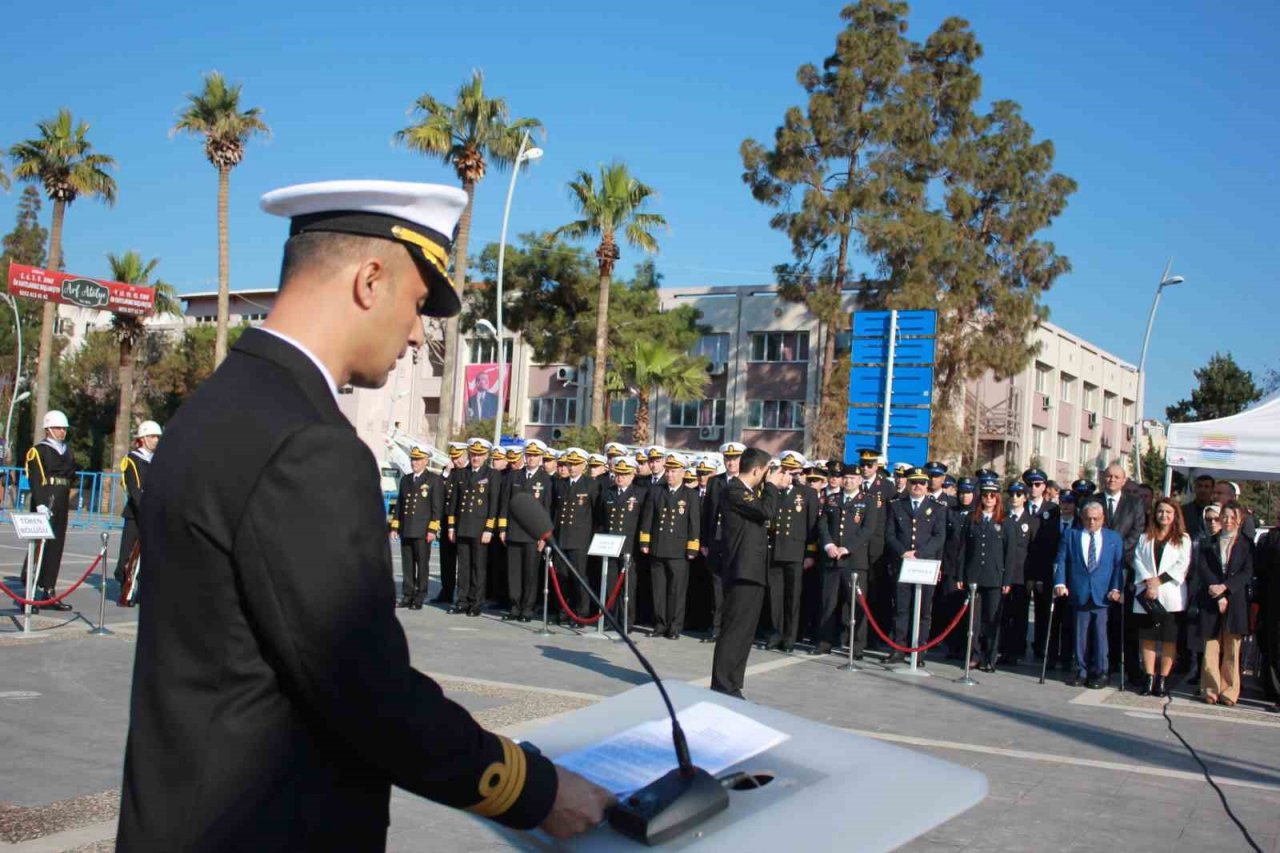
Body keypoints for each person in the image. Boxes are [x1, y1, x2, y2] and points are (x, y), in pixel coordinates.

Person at [116, 181, 611, 849]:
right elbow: (365, 689)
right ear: (370, 279)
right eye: (416, 305)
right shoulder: (307, 443)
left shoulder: (213, 409)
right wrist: (535, 789)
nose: (415, 335)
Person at [711, 448, 784, 698]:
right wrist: (773, 486)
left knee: (744, 633)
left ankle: (732, 684)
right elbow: (766, 512)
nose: (767, 477)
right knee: (734, 630)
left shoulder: (749, 493)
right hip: (742, 570)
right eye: (765, 472)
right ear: (757, 470)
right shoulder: (734, 490)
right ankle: (722, 684)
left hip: (752, 571)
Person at [1054, 501, 1124, 689]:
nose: (1091, 522)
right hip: (1079, 591)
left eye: (1096, 519)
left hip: (1103, 594)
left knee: (1101, 636)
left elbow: (1118, 565)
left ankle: (1101, 671)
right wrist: (1060, 583)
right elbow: (1061, 560)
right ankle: (1080, 671)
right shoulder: (1072, 535)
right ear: (1082, 518)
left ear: (1103, 519)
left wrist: (1116, 588)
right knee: (1080, 635)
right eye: (1088, 518)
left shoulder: (1113, 538)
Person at [1194, 501, 1254, 706]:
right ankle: (1210, 689)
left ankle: (1229, 691)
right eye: (1224, 516)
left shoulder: (1247, 543)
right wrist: (1217, 592)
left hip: (1235, 600)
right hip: (1211, 599)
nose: (1227, 521)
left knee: (1232, 647)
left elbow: (1247, 572)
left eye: (1232, 517)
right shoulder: (1208, 542)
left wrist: (1226, 588)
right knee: (1211, 645)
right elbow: (1203, 568)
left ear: (1240, 520)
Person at [885, 467, 948, 664]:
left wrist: (920, 554)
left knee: (923, 612)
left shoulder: (937, 507)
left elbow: (940, 537)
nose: (917, 486)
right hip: (903, 563)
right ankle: (898, 649)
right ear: (908, 484)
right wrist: (903, 552)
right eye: (913, 482)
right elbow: (890, 534)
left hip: (925, 565)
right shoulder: (896, 505)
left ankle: (919, 651)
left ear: (926, 484)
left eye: (921, 482)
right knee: (901, 609)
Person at [1132, 496, 1192, 697]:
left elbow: (1181, 565)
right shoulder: (1144, 537)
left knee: (1169, 640)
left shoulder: (1183, 538)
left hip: (1170, 596)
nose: (1163, 515)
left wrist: (1158, 581)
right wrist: (1149, 582)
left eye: (1168, 512)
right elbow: (1138, 560)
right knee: (1147, 638)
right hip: (1147, 594)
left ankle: (1162, 680)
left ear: (1175, 515)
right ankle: (1149, 678)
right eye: (1160, 511)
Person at [21, 410, 78, 612]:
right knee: (38, 546)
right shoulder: (39, 451)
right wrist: (41, 503)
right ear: (48, 429)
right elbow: (35, 478)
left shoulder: (67, 450)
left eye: (63, 428)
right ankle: (28, 593)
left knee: (56, 546)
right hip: (46, 496)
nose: (62, 432)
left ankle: (49, 590)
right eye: (58, 428)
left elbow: (72, 473)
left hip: (62, 497)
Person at [639, 453, 700, 639]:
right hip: (658, 546)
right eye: (668, 471)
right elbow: (648, 517)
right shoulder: (657, 491)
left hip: (679, 550)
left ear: (683, 472)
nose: (670, 475)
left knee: (677, 590)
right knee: (659, 589)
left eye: (674, 471)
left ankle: (674, 627)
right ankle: (660, 624)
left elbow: (694, 523)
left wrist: (693, 546)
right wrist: (644, 540)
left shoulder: (690, 494)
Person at [763, 451, 818, 652]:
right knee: (775, 596)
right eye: (784, 471)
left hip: (796, 552)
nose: (786, 475)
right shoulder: (772, 491)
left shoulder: (807, 494)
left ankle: (789, 637)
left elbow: (812, 526)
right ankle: (775, 633)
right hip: (775, 549)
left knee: (793, 597)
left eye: (791, 472)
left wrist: (810, 553)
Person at [815, 464, 872, 657]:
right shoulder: (832, 500)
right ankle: (824, 642)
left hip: (854, 561)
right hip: (832, 559)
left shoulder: (868, 501)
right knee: (827, 602)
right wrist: (829, 546)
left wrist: (847, 548)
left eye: (853, 478)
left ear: (860, 481)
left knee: (856, 604)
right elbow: (822, 525)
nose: (848, 481)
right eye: (845, 478)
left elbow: (867, 530)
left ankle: (856, 646)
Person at [498, 440, 552, 623]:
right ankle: (515, 606)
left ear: (541, 458)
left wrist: (544, 536)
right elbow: (505, 503)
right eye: (529, 455)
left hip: (533, 534)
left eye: (535, 456)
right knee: (514, 571)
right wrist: (503, 528)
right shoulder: (514, 477)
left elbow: (547, 509)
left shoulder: (546, 480)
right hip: (514, 531)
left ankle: (527, 608)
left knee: (530, 573)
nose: (531, 459)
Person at [958, 478, 1009, 672]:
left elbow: (1009, 554)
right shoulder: (972, 519)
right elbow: (963, 550)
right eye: (986, 495)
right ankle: (974, 654)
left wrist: (1006, 580)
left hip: (994, 578)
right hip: (974, 576)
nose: (989, 499)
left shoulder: (1005, 521)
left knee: (991, 620)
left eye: (992, 495)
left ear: (997, 498)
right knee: (974, 620)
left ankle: (990, 657)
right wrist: (960, 576)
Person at [448, 438, 500, 617]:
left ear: (486, 456)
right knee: (462, 567)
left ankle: (476, 603)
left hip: (480, 528)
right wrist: (451, 527)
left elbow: (493, 504)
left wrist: (489, 528)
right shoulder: (461, 474)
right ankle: (461, 601)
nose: (475, 458)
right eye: (473, 454)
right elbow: (454, 503)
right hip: (463, 526)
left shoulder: (492, 475)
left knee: (478, 567)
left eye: (479, 455)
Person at [596, 456, 645, 632]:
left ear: (632, 475)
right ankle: (611, 619)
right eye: (618, 474)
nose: (620, 477)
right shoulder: (607, 493)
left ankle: (627, 621)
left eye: (624, 474)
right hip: (610, 544)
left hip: (629, 546)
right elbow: (601, 519)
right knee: (610, 585)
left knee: (628, 587)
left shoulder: (640, 494)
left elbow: (643, 521)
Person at [550, 448, 599, 622]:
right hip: (561, 538)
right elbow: (554, 513)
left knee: (579, 578)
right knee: (561, 578)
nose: (571, 468)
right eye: (570, 464)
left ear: (583, 465)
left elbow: (596, 514)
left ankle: (581, 612)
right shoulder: (560, 484)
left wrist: (593, 538)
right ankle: (563, 611)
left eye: (575, 464)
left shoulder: (590, 484)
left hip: (580, 539)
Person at [391, 447, 443, 610]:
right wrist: (395, 527)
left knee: (422, 564)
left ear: (426, 461)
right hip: (406, 528)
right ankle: (408, 594)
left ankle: (420, 595)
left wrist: (432, 529)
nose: (415, 462)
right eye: (413, 459)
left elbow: (437, 508)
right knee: (407, 564)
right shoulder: (406, 480)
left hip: (422, 530)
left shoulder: (433, 480)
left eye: (418, 459)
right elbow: (399, 505)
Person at [115, 420, 162, 591]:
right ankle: (124, 583)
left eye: (157, 436)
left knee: (147, 555)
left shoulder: (157, 460)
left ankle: (141, 588)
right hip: (136, 513)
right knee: (128, 553)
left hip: (153, 513)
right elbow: (134, 489)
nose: (156, 439)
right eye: (152, 436)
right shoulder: (132, 460)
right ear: (142, 439)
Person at [999, 480, 1038, 666]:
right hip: (1003, 573)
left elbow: (1035, 550)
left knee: (1020, 615)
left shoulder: (1032, 521)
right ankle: (1003, 649)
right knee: (1003, 614)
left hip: (1022, 575)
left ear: (1025, 497)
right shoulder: (1002, 518)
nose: (1014, 498)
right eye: (1012, 494)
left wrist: (1032, 577)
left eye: (1018, 494)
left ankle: (1017, 650)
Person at [432, 442, 468, 606]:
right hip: (448, 521)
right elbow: (439, 490)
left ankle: (463, 594)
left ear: (465, 455)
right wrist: (446, 471)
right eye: (453, 457)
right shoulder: (449, 473)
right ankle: (446, 591)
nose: (456, 461)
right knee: (446, 558)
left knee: (463, 561)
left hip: (463, 521)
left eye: (458, 457)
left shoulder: (469, 472)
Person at [1254, 507, 1280, 712]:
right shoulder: (1269, 539)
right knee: (1273, 647)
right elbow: (1260, 568)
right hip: (1273, 601)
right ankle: (1274, 689)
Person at [1181, 474, 1215, 543]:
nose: (1202, 490)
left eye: (1207, 487)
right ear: (1195, 488)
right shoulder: (1183, 510)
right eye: (1199, 486)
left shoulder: (1217, 511)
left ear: (1212, 490)